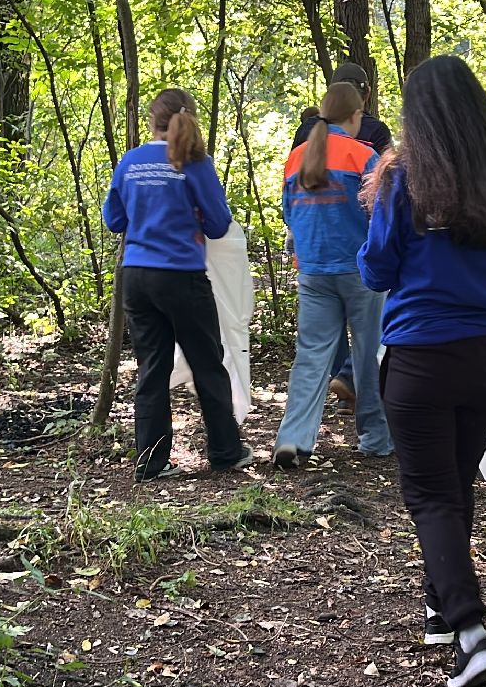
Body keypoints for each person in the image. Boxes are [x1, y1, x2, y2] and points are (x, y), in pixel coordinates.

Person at [359, 54, 486, 687]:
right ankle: (441, 609)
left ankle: (470, 632)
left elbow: (378, 269)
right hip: (484, 359)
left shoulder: (405, 176)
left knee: (432, 495)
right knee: (454, 487)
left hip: (418, 359)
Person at [102, 89, 255, 481]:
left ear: (151, 120)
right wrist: (195, 219)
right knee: (207, 362)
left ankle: (150, 463)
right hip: (181, 276)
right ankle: (225, 451)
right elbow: (220, 224)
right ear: (188, 118)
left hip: (136, 276)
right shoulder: (193, 161)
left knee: (151, 367)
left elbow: (115, 220)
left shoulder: (131, 162)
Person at [274, 83, 391, 469]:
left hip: (313, 271)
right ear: (356, 116)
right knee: (368, 353)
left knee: (310, 357)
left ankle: (292, 438)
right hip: (359, 272)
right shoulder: (365, 156)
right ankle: (374, 438)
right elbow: (382, 216)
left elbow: (289, 214)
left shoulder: (297, 158)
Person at [293, 61, 393, 409]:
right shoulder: (375, 133)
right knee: (370, 327)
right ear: (364, 96)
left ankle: (343, 378)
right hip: (356, 245)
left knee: (324, 325)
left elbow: (293, 191)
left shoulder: (306, 132)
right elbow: (383, 190)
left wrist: (298, 234)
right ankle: (354, 382)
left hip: (312, 245)